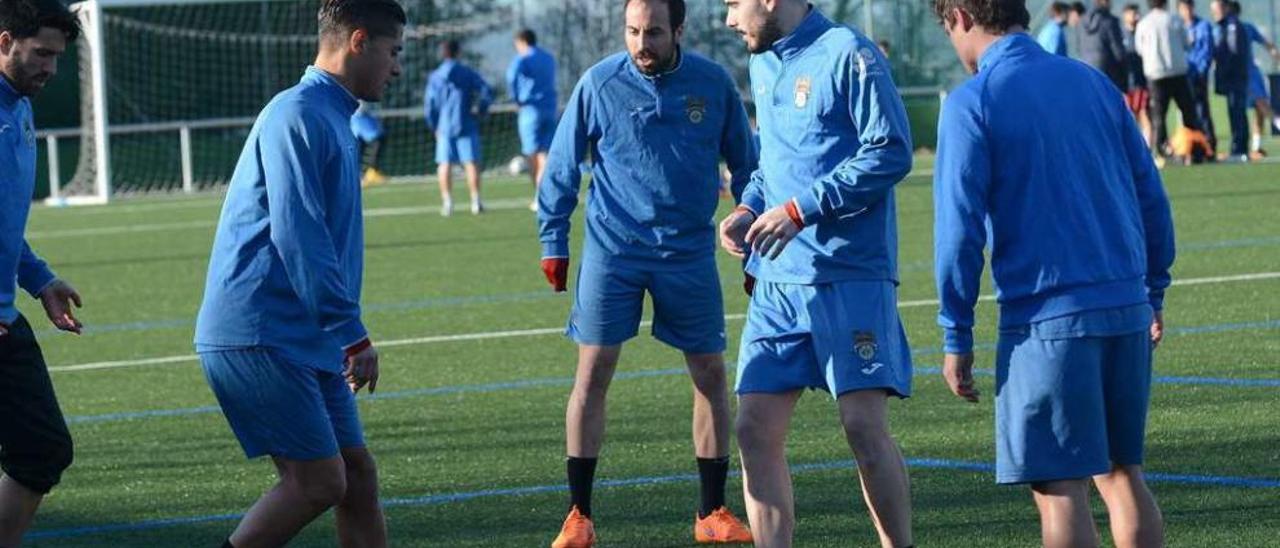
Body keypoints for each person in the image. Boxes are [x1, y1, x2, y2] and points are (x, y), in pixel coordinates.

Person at [930, 1, 1175, 548]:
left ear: (962, 17)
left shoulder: (975, 100)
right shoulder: (1092, 83)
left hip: (1047, 322)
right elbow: (1151, 198)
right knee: (1121, 473)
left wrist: (956, 332)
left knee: (1059, 487)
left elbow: (958, 232)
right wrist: (1153, 289)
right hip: (1124, 308)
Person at [536, 0, 758, 545]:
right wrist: (554, 240)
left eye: (654, 32)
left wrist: (752, 238)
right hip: (614, 251)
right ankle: (578, 516)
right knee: (593, 373)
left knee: (709, 374)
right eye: (633, 31)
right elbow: (562, 166)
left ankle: (712, 513)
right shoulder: (598, 83)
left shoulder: (712, 83)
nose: (642, 43)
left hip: (687, 252)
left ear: (679, 30)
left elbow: (749, 167)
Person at [193, 1, 404, 546]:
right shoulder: (298, 113)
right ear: (359, 41)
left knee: (356, 477)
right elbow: (298, 233)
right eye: (394, 51)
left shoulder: (331, 113)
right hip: (259, 332)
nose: (397, 67)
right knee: (317, 483)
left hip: (303, 336)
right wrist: (351, 332)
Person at [721, 0, 916, 546]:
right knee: (753, 428)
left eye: (733, 4)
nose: (729, 20)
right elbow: (770, 162)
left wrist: (802, 209)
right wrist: (748, 207)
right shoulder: (761, 61)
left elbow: (892, 151)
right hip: (778, 281)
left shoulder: (849, 54)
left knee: (862, 427)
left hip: (848, 273)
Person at [0, 2, 83, 545]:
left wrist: (41, 280)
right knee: (40, 446)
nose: (51, 68)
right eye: (42, 54)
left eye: (57, 57)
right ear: (5, 41)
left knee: (41, 448)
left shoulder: (20, 107)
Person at [426, 39, 492, 216]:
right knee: (471, 163)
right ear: (458, 52)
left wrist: (434, 125)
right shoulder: (467, 72)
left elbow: (430, 104)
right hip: (466, 122)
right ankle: (475, 201)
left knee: (444, 164)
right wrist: (481, 110)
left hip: (444, 124)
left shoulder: (436, 76)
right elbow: (486, 90)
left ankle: (447, 203)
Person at [1136, 0, 1201, 157]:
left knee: (1159, 115)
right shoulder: (1174, 19)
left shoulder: (1144, 23)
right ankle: (1191, 147)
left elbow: (1140, 49)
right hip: (1178, 72)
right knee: (1188, 112)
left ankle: (1162, 150)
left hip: (1155, 74)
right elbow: (1187, 43)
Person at [507, 29, 558, 212]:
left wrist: (516, 98)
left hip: (530, 110)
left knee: (532, 154)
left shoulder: (523, 58)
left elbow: (511, 76)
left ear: (522, 42)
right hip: (550, 108)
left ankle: (539, 195)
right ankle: (545, 194)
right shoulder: (549, 58)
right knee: (545, 153)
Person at [1233, 0, 1280, 157]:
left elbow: (1267, 44)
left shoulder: (1245, 28)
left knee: (1261, 108)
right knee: (1259, 108)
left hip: (1250, 75)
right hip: (1242, 75)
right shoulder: (1231, 29)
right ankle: (1252, 145)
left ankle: (1256, 145)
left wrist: (1275, 53)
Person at [1210, 0, 1251, 160]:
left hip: (1235, 79)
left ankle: (1239, 149)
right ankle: (1239, 148)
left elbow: (1233, 53)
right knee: (1235, 112)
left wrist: (1223, 71)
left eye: (1217, 9)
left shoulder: (1232, 26)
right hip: (1235, 78)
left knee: (1237, 112)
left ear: (1226, 8)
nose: (1214, 13)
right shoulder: (1226, 26)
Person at [1179, 0, 1218, 154]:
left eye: (1189, 7)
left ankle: (1209, 144)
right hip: (1182, 76)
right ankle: (1192, 145)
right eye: (1183, 8)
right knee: (1187, 113)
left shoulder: (1203, 26)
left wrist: (1201, 71)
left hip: (1198, 76)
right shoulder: (1178, 27)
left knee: (1202, 110)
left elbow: (1207, 52)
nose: (1187, 11)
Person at [1123, 4, 1154, 146]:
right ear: (1125, 16)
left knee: (1144, 114)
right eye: (1132, 14)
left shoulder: (1144, 32)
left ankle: (1147, 149)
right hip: (1126, 84)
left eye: (1137, 14)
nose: (1135, 17)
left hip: (1141, 82)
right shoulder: (1121, 35)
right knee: (1130, 118)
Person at [1080, 0, 1129, 90]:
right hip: (1108, 73)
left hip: (1088, 71)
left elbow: (1079, 47)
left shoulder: (1082, 21)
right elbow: (1118, 52)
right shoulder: (1110, 21)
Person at [351, 100, 388, 187]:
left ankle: (363, 174)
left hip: (362, 114)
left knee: (360, 143)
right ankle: (370, 172)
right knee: (377, 138)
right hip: (359, 115)